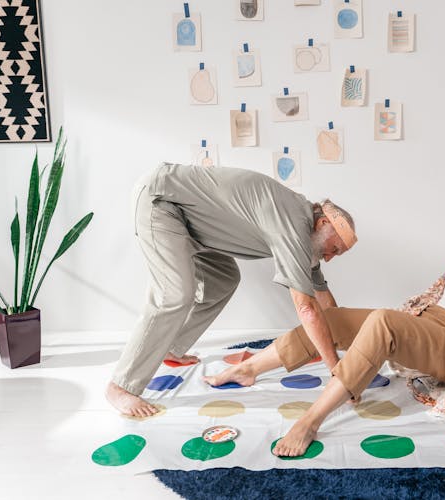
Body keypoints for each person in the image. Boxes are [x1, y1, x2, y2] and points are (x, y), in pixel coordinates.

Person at [205, 184, 445, 457]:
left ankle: (310, 421)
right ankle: (250, 369)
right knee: (334, 319)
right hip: (432, 324)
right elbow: (440, 294)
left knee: (383, 322)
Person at [106, 163, 357, 417]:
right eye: (335, 249)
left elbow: (325, 302)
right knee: (174, 294)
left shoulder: (308, 235)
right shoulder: (294, 224)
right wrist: (338, 373)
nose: (330, 258)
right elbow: (308, 308)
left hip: (194, 226)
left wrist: (353, 351)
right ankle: (121, 385)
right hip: (164, 202)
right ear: (323, 222)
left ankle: (171, 346)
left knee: (223, 279)